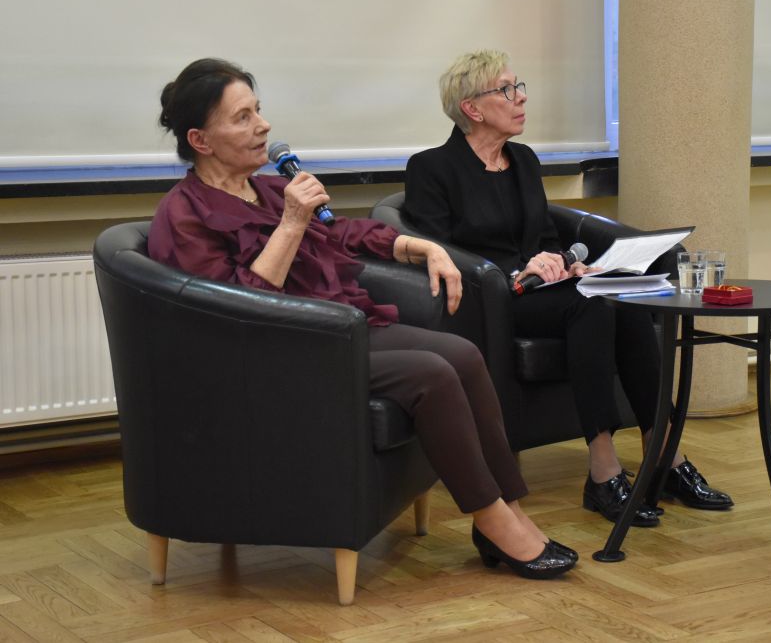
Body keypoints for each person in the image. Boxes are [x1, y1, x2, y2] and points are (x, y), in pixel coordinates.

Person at [149, 58, 576, 580]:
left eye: (258, 110)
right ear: (201, 139)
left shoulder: (263, 189)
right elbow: (238, 311)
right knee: (432, 374)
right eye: (243, 118)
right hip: (273, 355)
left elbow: (341, 233)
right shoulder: (185, 215)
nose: (263, 125)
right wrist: (291, 222)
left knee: (464, 354)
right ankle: (491, 520)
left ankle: (509, 508)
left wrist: (419, 246)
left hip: (335, 330)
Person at [403, 50, 733, 528]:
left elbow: (543, 235)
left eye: (519, 86)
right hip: (490, 301)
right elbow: (441, 250)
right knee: (591, 307)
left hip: (545, 290)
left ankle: (663, 451)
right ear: (471, 108)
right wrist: (514, 271)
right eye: (506, 90)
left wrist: (564, 262)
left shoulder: (522, 160)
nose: (521, 98)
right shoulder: (432, 168)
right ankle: (603, 468)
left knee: (622, 297)